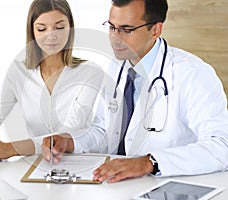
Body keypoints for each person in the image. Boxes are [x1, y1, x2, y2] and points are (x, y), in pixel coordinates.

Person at [42, 0, 228, 183]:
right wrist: (71, 142)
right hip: (119, 187)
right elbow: (104, 131)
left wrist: (149, 162)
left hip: (171, 189)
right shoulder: (117, 65)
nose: (115, 37)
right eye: (112, 27)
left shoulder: (193, 73)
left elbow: (222, 146)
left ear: (155, 30)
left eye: (126, 29)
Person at [0, 0, 103, 162]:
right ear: (32, 31)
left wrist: (11, 149)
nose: (51, 36)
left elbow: (68, 133)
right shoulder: (18, 72)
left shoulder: (91, 72)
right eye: (42, 29)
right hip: (39, 165)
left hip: (82, 163)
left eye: (59, 27)